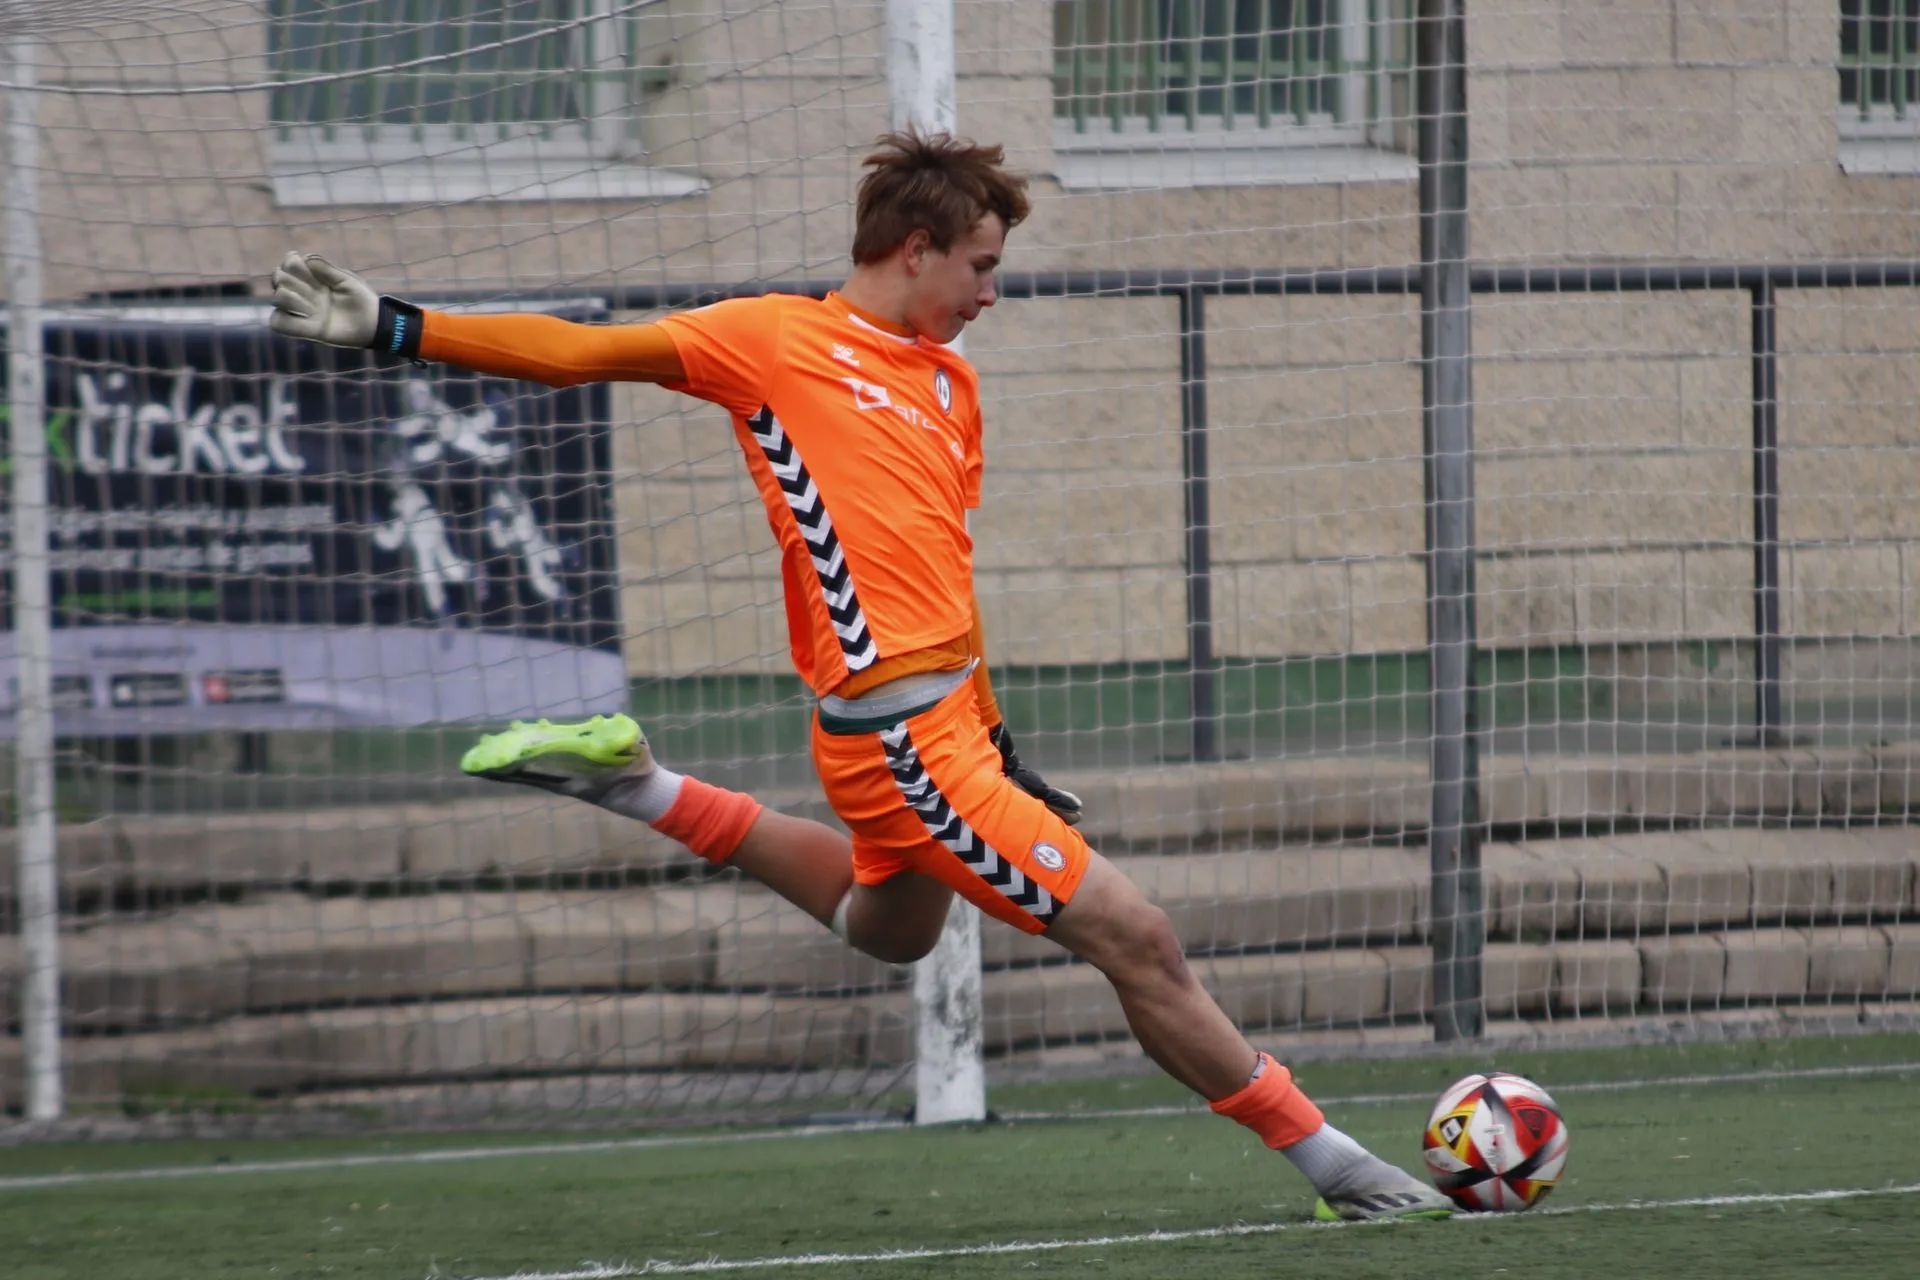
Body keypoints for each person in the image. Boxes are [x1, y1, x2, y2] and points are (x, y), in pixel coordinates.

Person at [266, 128, 1450, 1223]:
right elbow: (582, 352)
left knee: (890, 929)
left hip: (941, 731)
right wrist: (396, 326)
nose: (992, 291)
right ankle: (1338, 1166)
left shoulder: (950, 381)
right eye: (980, 265)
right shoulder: (771, 339)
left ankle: (640, 786)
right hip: (896, 743)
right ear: (915, 245)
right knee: (1138, 938)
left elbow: (945, 570)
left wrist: (1000, 743)